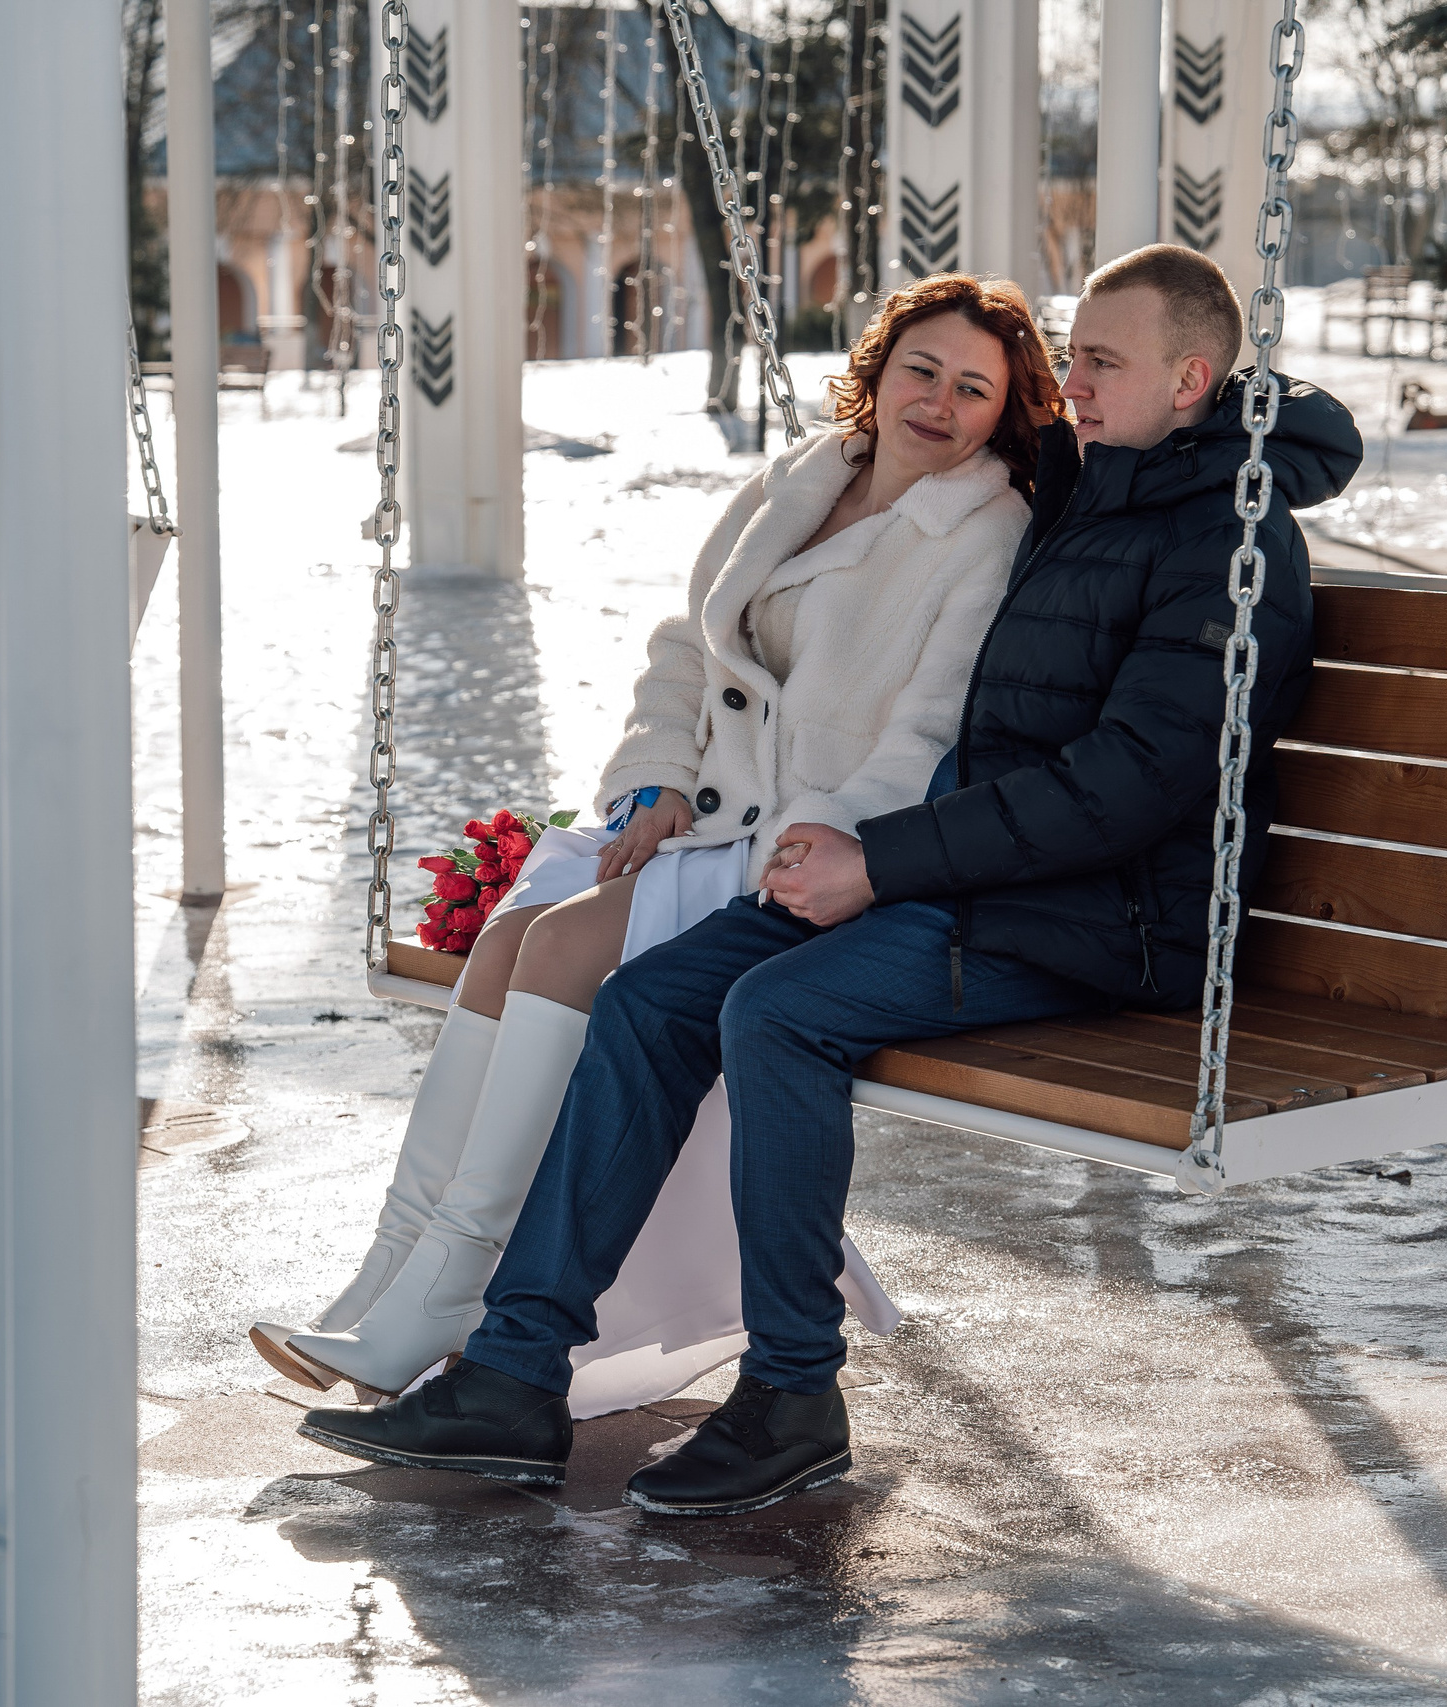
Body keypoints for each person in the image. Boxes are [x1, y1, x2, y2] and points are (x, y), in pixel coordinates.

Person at [298, 244, 1364, 1514]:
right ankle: (515, 1374)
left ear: (1192, 379)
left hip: (1106, 916)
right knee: (651, 1004)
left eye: (1099, 363)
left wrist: (883, 858)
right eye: (1070, 355)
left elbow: (1134, 782)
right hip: (979, 878)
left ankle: (793, 1390)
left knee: (776, 1012)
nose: (1066, 386)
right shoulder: (1098, 480)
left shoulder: (1230, 546)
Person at [250, 274, 1067, 1403]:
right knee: (507, 936)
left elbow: (930, 727)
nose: (938, 401)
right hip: (699, 817)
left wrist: (826, 840)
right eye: (920, 369)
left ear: (1001, 414)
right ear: (876, 372)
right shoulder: (799, 478)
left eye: (973, 389)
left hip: (796, 841)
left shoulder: (983, 531)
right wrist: (652, 779)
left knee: (559, 946)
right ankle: (392, 1271)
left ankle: (453, 1285)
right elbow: (687, 646)